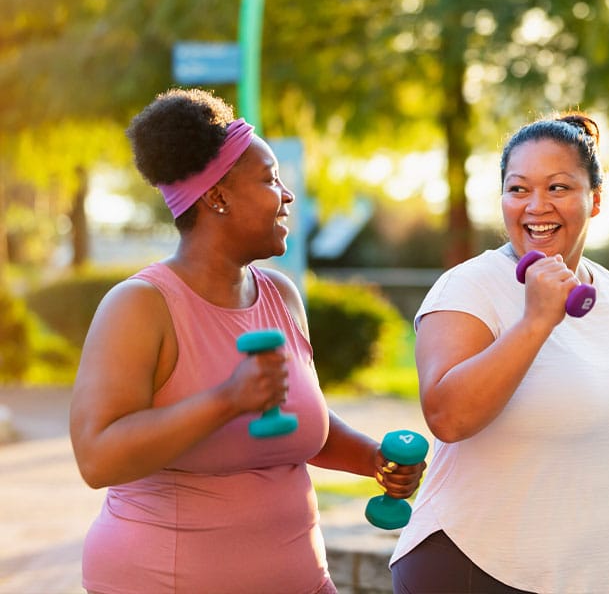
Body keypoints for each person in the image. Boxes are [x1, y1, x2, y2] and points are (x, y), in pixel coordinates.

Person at [69, 88, 425, 594]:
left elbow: (303, 425)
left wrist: (372, 460)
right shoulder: (140, 305)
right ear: (217, 196)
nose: (287, 195)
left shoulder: (280, 294)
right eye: (270, 179)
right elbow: (98, 457)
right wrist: (226, 400)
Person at [388, 112, 609, 593]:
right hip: (478, 568)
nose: (536, 205)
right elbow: (448, 416)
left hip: (608, 574)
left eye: (558, 187)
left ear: (595, 200)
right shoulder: (468, 286)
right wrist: (536, 321)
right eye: (518, 189)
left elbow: (573, 403)